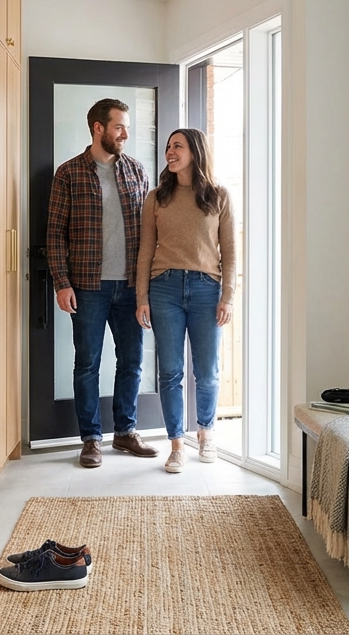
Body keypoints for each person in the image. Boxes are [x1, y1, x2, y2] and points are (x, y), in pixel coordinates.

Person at [46, 98, 156, 468]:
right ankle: (91, 438)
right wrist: (62, 282)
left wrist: (147, 285)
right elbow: (55, 235)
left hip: (129, 288)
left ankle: (125, 432)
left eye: (126, 127)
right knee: (87, 363)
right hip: (88, 286)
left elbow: (150, 233)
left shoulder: (138, 172)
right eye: (119, 126)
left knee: (132, 362)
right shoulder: (69, 173)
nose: (126, 133)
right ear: (98, 128)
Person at [134, 128, 235, 474]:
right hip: (164, 290)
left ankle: (206, 434)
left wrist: (228, 297)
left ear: (195, 150)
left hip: (207, 289)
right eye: (167, 147)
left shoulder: (218, 195)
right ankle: (176, 444)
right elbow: (145, 250)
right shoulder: (157, 198)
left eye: (177, 146)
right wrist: (141, 297)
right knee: (171, 371)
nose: (170, 152)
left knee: (206, 372)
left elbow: (231, 253)